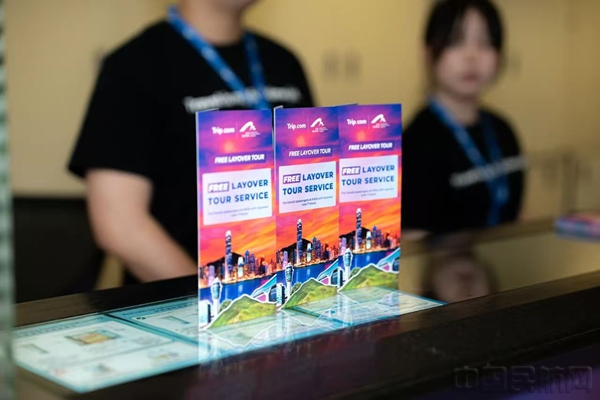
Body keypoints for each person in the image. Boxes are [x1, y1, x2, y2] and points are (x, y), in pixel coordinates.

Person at [68, 0, 314, 284]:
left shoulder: (283, 61)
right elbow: (121, 226)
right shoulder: (133, 65)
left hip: (290, 284)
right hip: (188, 297)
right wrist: (208, 297)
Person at [402, 0, 525, 237]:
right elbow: (414, 237)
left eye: (485, 42)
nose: (471, 56)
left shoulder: (504, 130)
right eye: (455, 41)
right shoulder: (415, 142)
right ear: (428, 52)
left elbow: (516, 217)